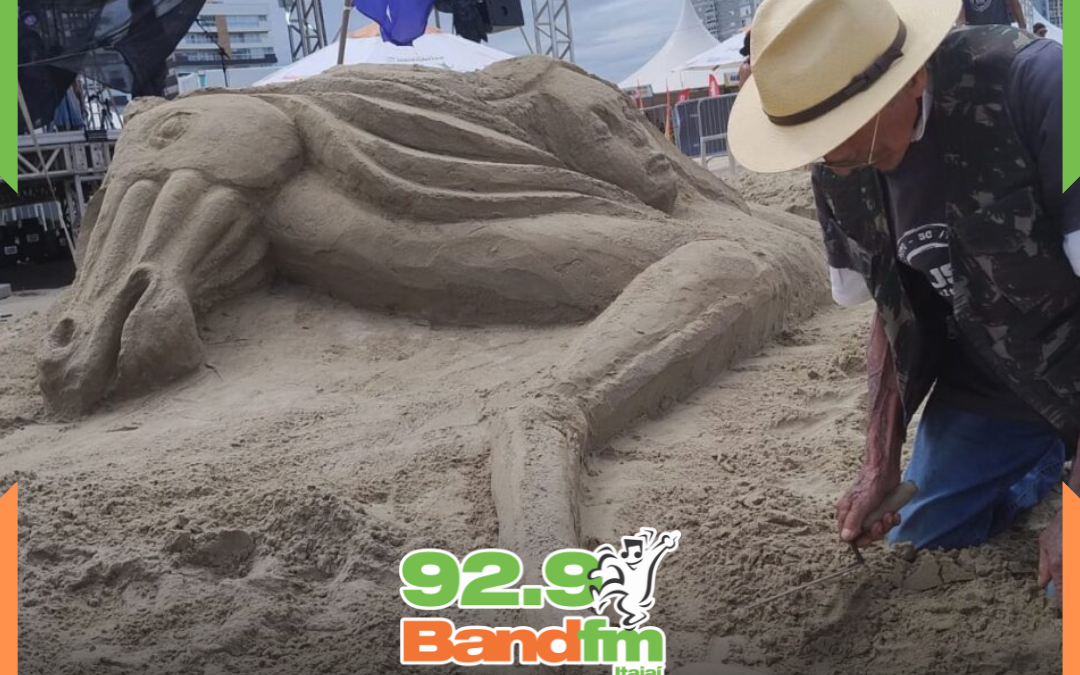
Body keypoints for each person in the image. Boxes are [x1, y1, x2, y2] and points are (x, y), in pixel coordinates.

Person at [729, 0, 1078, 607]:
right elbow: (890, 308)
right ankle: (1046, 463)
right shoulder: (836, 159)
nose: (832, 155)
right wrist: (879, 460)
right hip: (1000, 379)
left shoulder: (1045, 86)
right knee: (925, 535)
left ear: (914, 75)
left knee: (1070, 599)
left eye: (846, 129)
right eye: (815, 140)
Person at [959, 0, 1026, 28]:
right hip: (975, 37)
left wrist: (1023, 27)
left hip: (999, 33)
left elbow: (1015, 4)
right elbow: (960, 16)